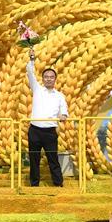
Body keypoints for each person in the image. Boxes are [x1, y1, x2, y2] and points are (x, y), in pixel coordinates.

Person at [26, 48, 68, 187]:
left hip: (50, 131)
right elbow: (30, 73)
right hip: (35, 130)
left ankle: (58, 184)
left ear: (55, 79)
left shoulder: (60, 95)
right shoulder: (37, 89)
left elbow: (64, 111)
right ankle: (34, 184)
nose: (49, 79)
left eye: (51, 77)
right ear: (43, 79)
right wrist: (32, 59)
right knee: (34, 159)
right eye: (46, 77)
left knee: (53, 159)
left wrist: (63, 116)